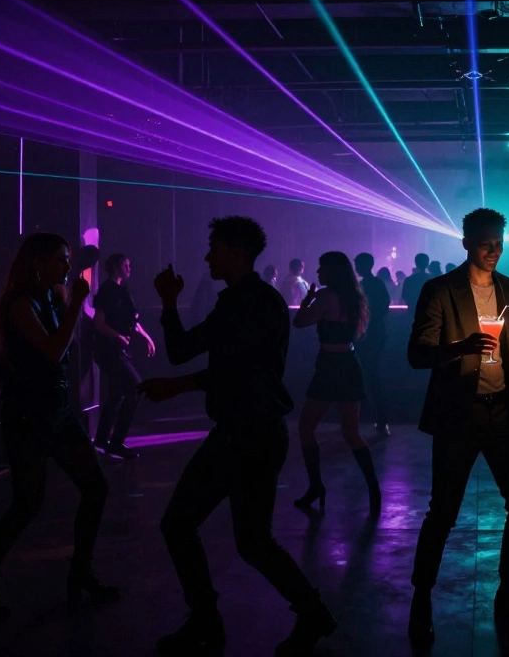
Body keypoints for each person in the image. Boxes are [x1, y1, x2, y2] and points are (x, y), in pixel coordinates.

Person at [137, 217, 335, 656]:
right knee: (251, 540)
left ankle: (209, 622)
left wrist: (180, 381)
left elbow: (232, 369)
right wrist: (169, 306)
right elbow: (186, 352)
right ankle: (310, 613)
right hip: (253, 431)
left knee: (183, 525)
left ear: (236, 253)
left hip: (245, 433)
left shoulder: (250, 303)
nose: (207, 256)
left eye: (214, 248)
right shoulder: (247, 302)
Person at [406, 208, 509, 645]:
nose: (494, 250)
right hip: (460, 415)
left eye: (499, 243)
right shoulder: (441, 290)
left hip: (504, 412)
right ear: (467, 242)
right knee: (444, 512)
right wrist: (461, 347)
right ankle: (421, 598)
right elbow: (417, 354)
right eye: (486, 243)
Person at [0, 233, 117, 620]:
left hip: (57, 410)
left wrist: (69, 301)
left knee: (95, 488)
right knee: (26, 504)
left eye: (68, 259)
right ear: (38, 262)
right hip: (28, 415)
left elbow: (63, 346)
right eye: (60, 259)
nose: (67, 267)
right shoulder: (19, 304)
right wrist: (76, 304)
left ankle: (81, 573)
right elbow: (52, 353)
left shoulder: (53, 296)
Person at [291, 252, 381, 515]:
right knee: (352, 433)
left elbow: (299, 322)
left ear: (332, 272)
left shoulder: (325, 298)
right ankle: (373, 487)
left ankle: (316, 486)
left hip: (330, 365)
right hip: (349, 363)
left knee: (306, 427)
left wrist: (307, 301)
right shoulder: (354, 297)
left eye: (322, 269)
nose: (318, 274)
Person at [91, 253, 156, 458]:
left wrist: (147, 338)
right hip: (108, 350)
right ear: (116, 266)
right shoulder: (107, 291)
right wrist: (117, 336)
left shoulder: (123, 291)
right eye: (126, 264)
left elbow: (133, 321)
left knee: (117, 393)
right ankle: (116, 442)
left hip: (117, 349)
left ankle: (102, 439)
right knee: (135, 389)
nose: (129, 268)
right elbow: (99, 324)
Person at [356, 253, 393, 436]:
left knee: (369, 374)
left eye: (357, 263)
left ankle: (376, 417)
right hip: (375, 333)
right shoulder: (376, 283)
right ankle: (379, 418)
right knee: (372, 374)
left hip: (368, 334)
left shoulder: (364, 285)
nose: (355, 266)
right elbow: (385, 304)